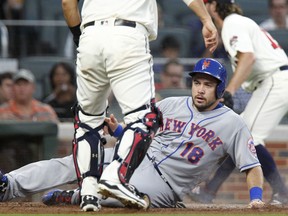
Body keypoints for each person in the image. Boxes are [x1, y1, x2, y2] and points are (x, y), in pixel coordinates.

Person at [0, 58, 265, 209]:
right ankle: (8, 185)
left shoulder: (233, 123)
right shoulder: (171, 104)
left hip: (164, 185)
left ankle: (74, 196)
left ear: (219, 91)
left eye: (208, 85)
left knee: (122, 195)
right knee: (76, 161)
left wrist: (256, 199)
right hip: (135, 158)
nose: (200, 89)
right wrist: (117, 130)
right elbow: (139, 135)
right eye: (197, 82)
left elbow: (252, 166)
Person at [61, 0, 218, 211]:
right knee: (145, 118)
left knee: (88, 120)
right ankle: (114, 177)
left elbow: (66, 3)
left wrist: (80, 37)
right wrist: (206, 19)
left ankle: (89, 192)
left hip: (90, 35)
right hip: (127, 35)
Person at [191, 0, 288, 205]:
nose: (205, 8)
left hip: (275, 80)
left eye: (207, 3)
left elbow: (248, 57)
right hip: (272, 81)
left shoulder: (231, 23)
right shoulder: (237, 22)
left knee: (250, 138)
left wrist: (230, 91)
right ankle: (209, 190)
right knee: (238, 137)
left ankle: (282, 192)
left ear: (215, 5)